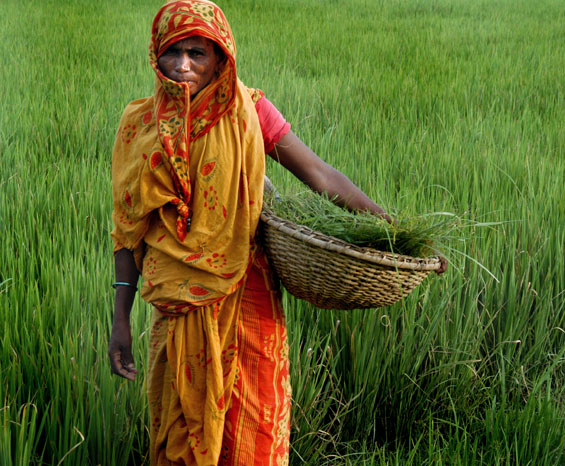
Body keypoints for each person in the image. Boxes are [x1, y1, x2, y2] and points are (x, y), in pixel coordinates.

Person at [108, 1, 398, 464]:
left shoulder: (249, 111)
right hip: (176, 307)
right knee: (178, 432)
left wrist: (391, 231)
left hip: (247, 300)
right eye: (172, 52)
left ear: (221, 57)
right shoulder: (139, 126)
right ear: (155, 55)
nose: (183, 65)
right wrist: (120, 317)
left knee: (252, 436)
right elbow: (127, 231)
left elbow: (320, 176)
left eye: (198, 54)